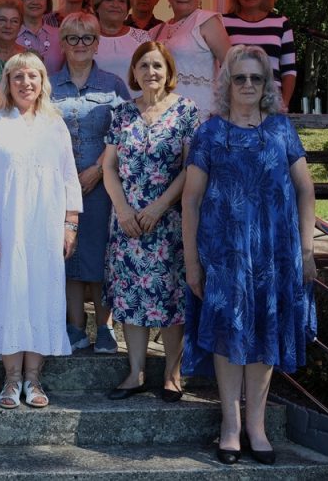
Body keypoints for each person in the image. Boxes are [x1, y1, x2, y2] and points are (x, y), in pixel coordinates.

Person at [181, 45, 317, 466]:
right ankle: (230, 424)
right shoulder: (209, 133)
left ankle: (257, 427)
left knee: (264, 334)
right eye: (239, 77)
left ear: (266, 86)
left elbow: (305, 189)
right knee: (228, 334)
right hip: (223, 256)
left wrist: (306, 250)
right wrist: (192, 263)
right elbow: (190, 200)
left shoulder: (281, 129)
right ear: (227, 83)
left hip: (274, 255)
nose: (247, 84)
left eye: (256, 78)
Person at [0, 52, 83, 410]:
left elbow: (69, 178)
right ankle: (12, 379)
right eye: (18, 76)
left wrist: (70, 225)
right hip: (4, 226)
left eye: (33, 76)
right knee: (8, 295)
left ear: (43, 82)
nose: (26, 83)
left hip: (45, 228)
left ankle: (33, 378)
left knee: (40, 295)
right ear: (8, 83)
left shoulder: (55, 125)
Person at [103, 41, 199, 403]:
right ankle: (135, 372)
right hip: (127, 223)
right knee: (131, 297)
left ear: (169, 70)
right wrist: (123, 210)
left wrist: (160, 206)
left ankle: (173, 374)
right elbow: (109, 167)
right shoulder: (122, 113)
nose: (150, 72)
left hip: (169, 222)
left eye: (157, 65)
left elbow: (191, 168)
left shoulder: (186, 111)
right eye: (143, 65)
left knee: (171, 297)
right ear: (134, 72)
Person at [49, 13, 129, 355]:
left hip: (103, 184)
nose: (80, 44)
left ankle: (105, 327)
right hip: (58, 184)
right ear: (63, 43)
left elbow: (125, 133)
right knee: (67, 252)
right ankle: (75, 326)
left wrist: (97, 169)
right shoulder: (48, 86)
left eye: (87, 38)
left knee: (101, 253)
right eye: (72, 37)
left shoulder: (113, 86)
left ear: (97, 44)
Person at [151, 0, 231, 121]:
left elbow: (231, 65)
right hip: (163, 114)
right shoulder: (157, 31)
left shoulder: (206, 21)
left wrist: (226, 108)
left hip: (200, 112)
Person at [223, 0, 297, 110]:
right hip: (234, 100)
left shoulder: (281, 22)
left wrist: (284, 103)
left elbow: (289, 70)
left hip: (271, 100)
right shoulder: (223, 22)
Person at [93, 0, 150, 96]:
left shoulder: (142, 38)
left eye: (121, 1)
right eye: (109, 0)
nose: (115, 5)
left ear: (128, 8)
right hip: (94, 104)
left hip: (135, 104)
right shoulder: (85, 38)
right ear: (97, 7)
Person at [15, 0, 63, 74]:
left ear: (47, 2)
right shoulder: (12, 35)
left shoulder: (60, 35)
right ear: (19, 1)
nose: (35, 2)